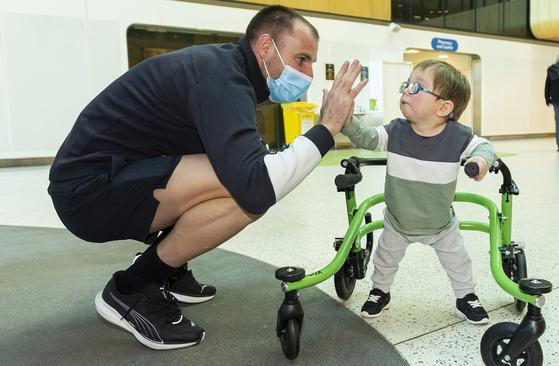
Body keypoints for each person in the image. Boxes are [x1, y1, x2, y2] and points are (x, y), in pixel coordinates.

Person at [47, 5, 367, 350]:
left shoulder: (226, 71)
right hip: (87, 194)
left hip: (108, 177)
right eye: (302, 59)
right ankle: (132, 289)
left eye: (312, 63)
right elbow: (258, 186)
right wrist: (328, 127)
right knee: (246, 193)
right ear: (265, 47)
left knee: (242, 172)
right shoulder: (223, 79)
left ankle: (169, 266)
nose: (308, 73)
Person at [341, 60, 496, 324]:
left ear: (443, 107)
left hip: (441, 225)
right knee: (385, 259)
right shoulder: (396, 131)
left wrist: (479, 162)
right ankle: (380, 291)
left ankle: (465, 296)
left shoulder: (458, 136)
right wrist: (345, 119)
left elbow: (485, 148)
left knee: (458, 262)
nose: (406, 91)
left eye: (417, 87)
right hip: (398, 221)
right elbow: (367, 137)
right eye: (407, 84)